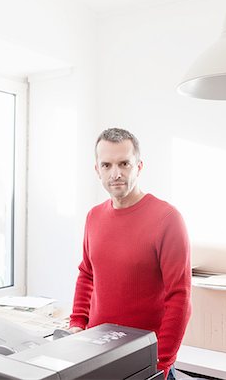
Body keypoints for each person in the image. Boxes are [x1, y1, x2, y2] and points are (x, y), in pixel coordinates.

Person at [69, 128, 191, 379]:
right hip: (96, 353)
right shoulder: (93, 216)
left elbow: (180, 298)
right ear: (97, 170)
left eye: (124, 163)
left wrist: (160, 362)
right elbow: (87, 274)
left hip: (145, 360)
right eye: (107, 165)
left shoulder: (167, 219)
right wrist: (77, 323)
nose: (116, 173)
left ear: (139, 166)